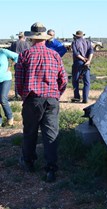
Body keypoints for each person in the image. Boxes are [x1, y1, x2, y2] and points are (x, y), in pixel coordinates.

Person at [15, 22, 67, 182]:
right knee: (51, 134)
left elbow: (19, 81)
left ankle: (28, 162)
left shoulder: (25, 55)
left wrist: (25, 96)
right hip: (51, 99)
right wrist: (56, 95)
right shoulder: (55, 55)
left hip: (33, 99)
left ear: (31, 38)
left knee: (30, 132)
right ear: (45, 38)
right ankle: (51, 169)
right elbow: (63, 80)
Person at [71, 30, 93, 103]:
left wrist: (83, 59)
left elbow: (76, 53)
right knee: (86, 81)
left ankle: (77, 97)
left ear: (75, 36)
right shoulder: (88, 42)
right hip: (87, 63)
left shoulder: (74, 42)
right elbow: (91, 52)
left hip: (78, 62)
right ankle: (85, 98)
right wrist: (88, 61)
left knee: (75, 80)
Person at [0, 48, 18, 126]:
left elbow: (17, 56)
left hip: (5, 79)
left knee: (3, 99)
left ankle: (9, 117)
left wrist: (11, 65)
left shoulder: (3, 52)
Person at [9, 32, 30, 98]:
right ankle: (25, 94)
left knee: (17, 78)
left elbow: (11, 53)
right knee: (26, 77)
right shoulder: (26, 44)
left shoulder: (14, 43)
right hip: (25, 63)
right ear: (24, 37)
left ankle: (17, 94)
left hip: (16, 62)